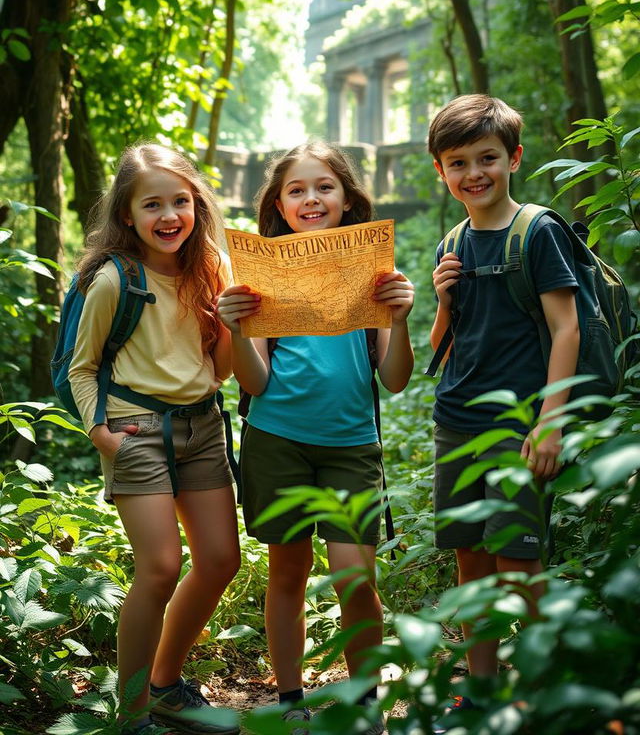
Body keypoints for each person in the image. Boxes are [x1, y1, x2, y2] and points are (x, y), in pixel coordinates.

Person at [217, 141, 415, 735]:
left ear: (348, 199)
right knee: (288, 571)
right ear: (278, 204)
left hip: (353, 445)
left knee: (356, 575)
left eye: (324, 187)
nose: (311, 198)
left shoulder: (371, 273)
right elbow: (254, 380)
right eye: (297, 190)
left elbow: (396, 379)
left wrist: (399, 319)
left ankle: (363, 700)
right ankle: (289, 696)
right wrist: (237, 330)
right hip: (276, 439)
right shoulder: (260, 273)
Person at [68, 143, 241, 735]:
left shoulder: (212, 268)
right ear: (127, 215)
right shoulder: (116, 279)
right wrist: (100, 433)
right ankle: (133, 709)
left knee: (220, 559)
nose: (169, 216)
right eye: (153, 205)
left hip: (204, 426)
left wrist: (233, 323)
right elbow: (81, 366)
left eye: (180, 202)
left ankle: (166, 686)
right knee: (161, 567)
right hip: (135, 429)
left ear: (197, 204)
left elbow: (219, 370)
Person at [427, 95, 580, 725]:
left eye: (487, 158)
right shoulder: (453, 239)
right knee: (472, 558)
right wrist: (440, 298)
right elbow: (443, 345)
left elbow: (566, 328)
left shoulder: (538, 230)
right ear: (442, 171)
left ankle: (547, 687)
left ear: (513, 157)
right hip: (454, 418)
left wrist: (550, 421)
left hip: (518, 423)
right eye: (458, 162)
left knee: (519, 562)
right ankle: (481, 688)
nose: (474, 173)